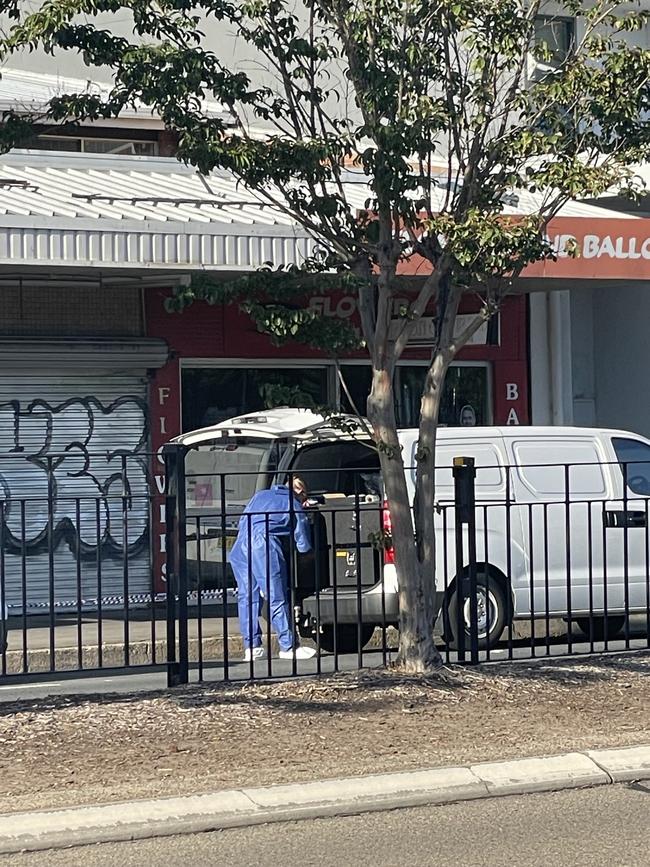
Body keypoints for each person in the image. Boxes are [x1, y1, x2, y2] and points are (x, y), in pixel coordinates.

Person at [228, 477, 317, 661]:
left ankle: (252, 647)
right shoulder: (292, 503)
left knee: (247, 597)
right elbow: (303, 544)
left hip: (240, 545)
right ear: (300, 492)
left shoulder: (260, 495)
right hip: (263, 545)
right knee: (276, 594)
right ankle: (288, 645)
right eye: (304, 498)